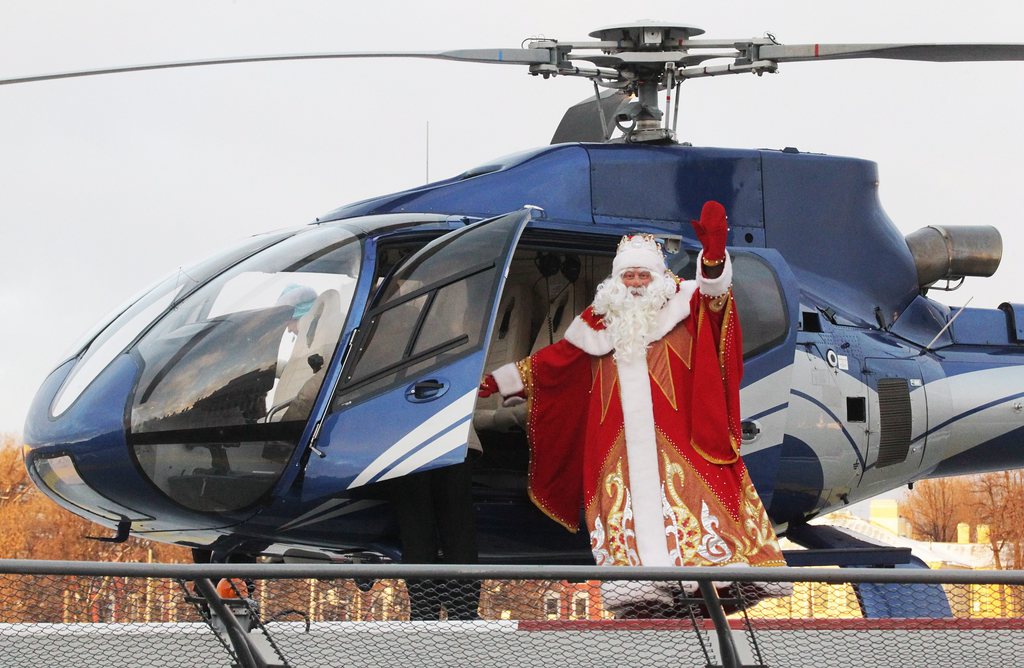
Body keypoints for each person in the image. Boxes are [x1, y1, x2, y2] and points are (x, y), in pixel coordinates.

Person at [479, 201, 786, 614]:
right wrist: (498, 381)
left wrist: (712, 261)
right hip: (616, 447)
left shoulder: (686, 304)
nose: (637, 282)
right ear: (616, 280)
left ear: (658, 277)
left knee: (695, 507)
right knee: (624, 518)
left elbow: (716, 302)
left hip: (683, 439)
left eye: (644, 274)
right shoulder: (597, 322)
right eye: (629, 275)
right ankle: (641, 592)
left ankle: (713, 583)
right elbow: (554, 363)